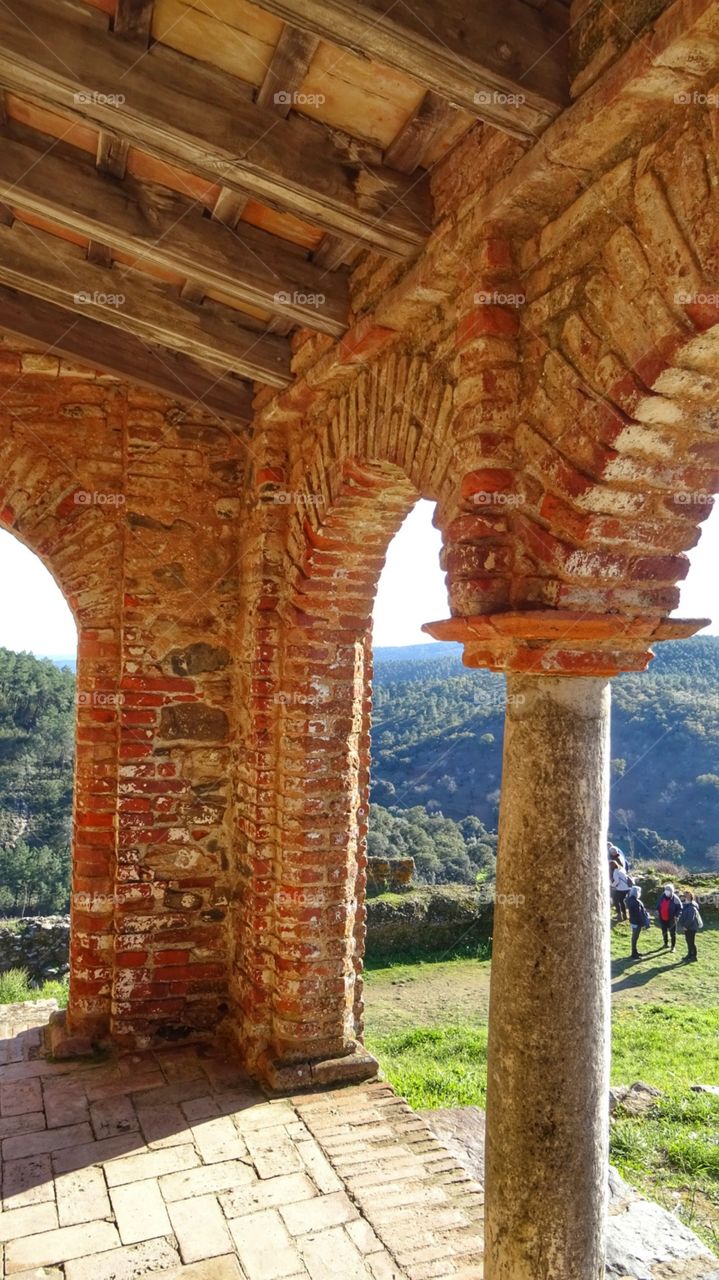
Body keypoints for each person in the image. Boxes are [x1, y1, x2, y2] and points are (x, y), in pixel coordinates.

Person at [656, 883, 683, 952]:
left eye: (668, 890)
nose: (666, 892)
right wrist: (658, 910)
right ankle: (665, 943)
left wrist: (677, 916)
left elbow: (680, 908)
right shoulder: (662, 896)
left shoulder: (675, 899)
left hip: (671, 919)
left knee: (672, 933)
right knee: (664, 931)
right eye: (666, 890)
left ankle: (673, 947)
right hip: (663, 918)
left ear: (671, 891)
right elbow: (658, 904)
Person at [678, 890, 703, 963]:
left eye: (685, 896)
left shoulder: (692, 906)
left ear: (689, 897)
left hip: (691, 927)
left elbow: (690, 918)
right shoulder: (685, 905)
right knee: (688, 941)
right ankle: (689, 954)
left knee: (691, 942)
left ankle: (694, 956)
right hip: (687, 927)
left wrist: (685, 926)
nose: (683, 897)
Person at [627, 885, 649, 959]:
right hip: (637, 922)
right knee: (635, 937)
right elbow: (639, 914)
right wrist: (643, 923)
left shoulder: (629, 900)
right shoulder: (636, 902)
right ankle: (634, 953)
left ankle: (635, 951)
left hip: (633, 921)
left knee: (634, 937)